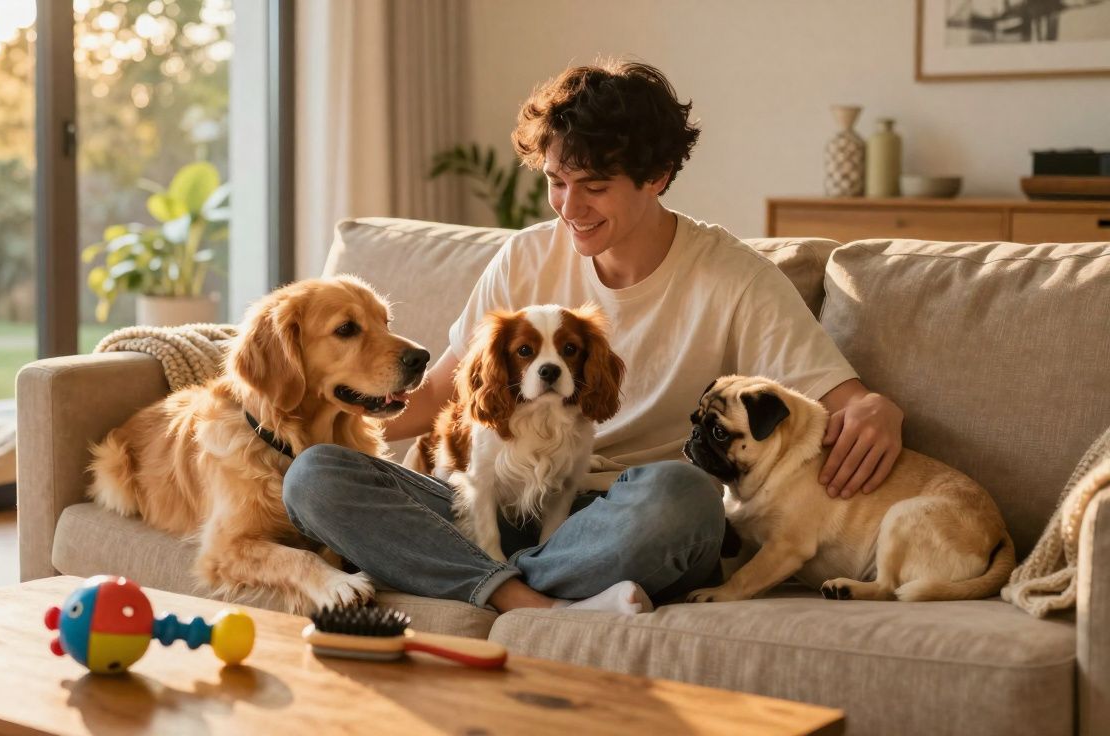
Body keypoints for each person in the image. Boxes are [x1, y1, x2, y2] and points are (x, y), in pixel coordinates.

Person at [282, 59, 904, 615]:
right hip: (501, 501)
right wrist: (284, 418)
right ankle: (527, 597)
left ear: (657, 176)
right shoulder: (523, 257)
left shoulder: (736, 278)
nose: (568, 207)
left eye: (595, 187)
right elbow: (444, 393)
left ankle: (477, 581)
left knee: (684, 496)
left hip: (622, 519)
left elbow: (841, 403)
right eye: (557, 181)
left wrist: (877, 409)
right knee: (314, 477)